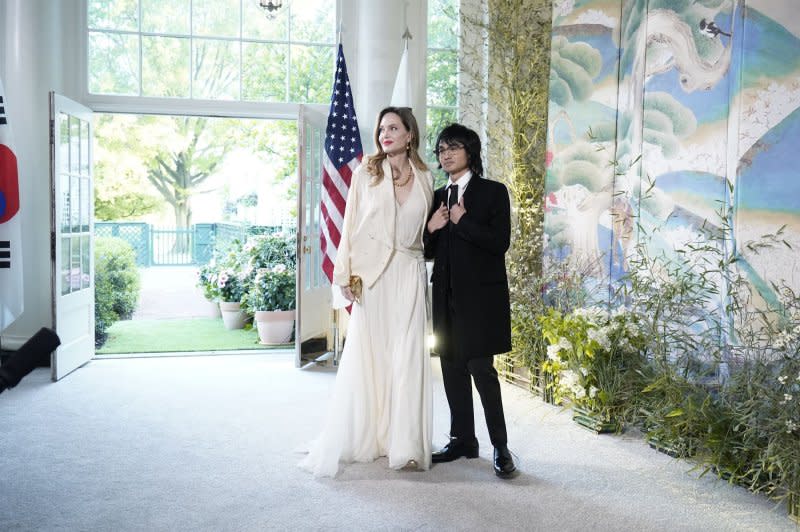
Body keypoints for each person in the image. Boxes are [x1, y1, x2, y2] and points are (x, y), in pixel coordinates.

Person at [299, 107, 434, 477]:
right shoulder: (366, 173)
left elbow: (420, 230)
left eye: (393, 128)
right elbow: (350, 224)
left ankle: (404, 444)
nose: (384, 134)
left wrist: (435, 227)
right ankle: (371, 436)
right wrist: (344, 272)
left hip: (409, 273)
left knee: (407, 357)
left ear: (409, 134)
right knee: (372, 355)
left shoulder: (425, 176)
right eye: (381, 129)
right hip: (373, 277)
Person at [424, 123, 516, 478]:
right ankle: (463, 439)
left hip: (480, 301)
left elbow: (499, 243)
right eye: (441, 150)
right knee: (451, 371)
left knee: (482, 371)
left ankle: (500, 446)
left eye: (453, 147)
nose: (446, 154)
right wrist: (431, 229)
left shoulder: (493, 192)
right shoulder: (436, 196)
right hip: (445, 297)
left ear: (470, 152)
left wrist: (462, 221)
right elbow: (429, 251)